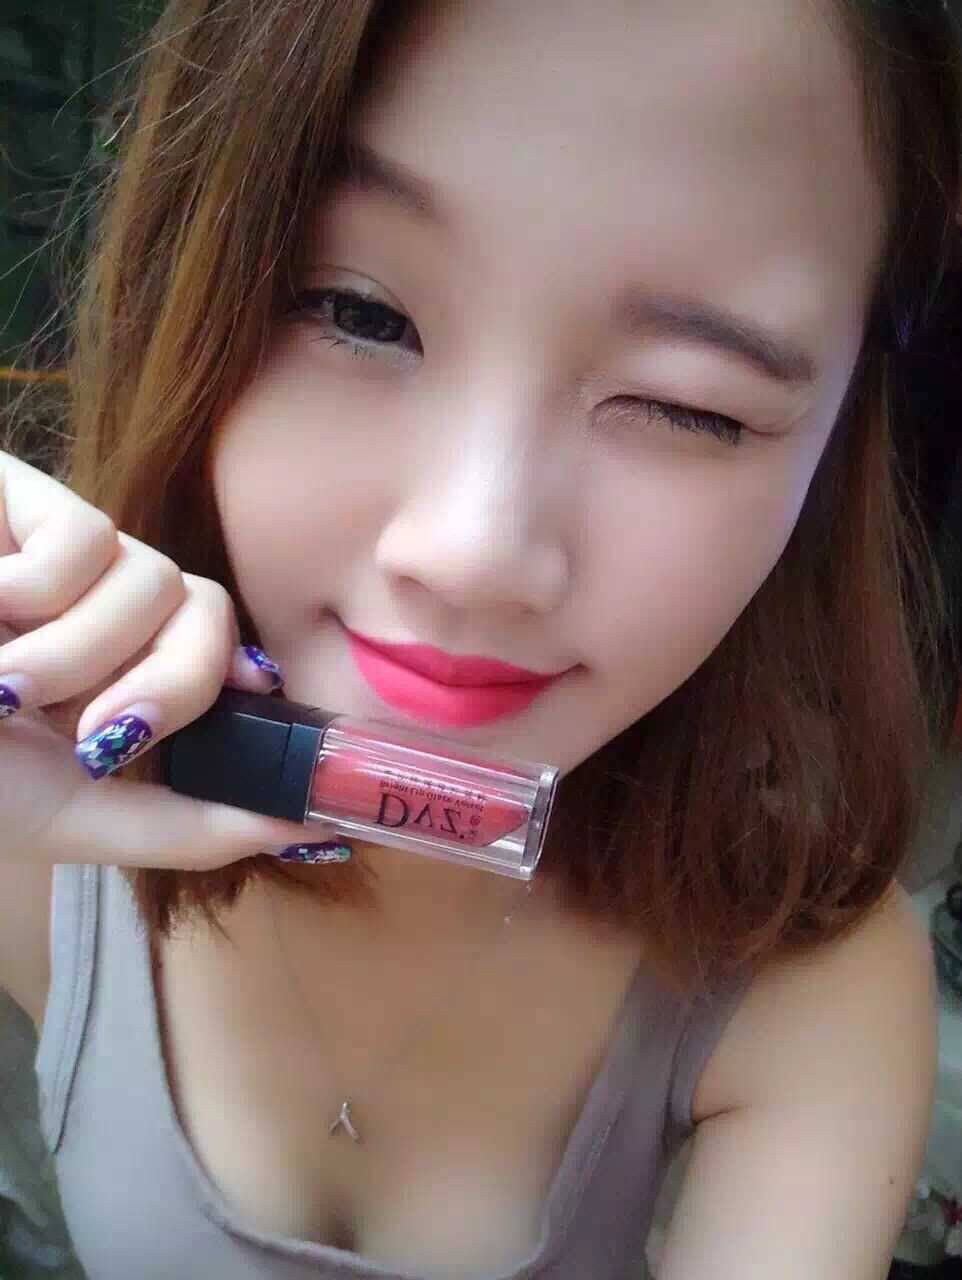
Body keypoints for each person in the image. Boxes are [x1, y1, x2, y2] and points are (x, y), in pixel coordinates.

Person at [0, 0, 959, 1275]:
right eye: (358, 312)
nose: (472, 550)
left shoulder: (805, 981)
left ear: (834, 452)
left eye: (687, 405)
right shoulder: (38, 799)